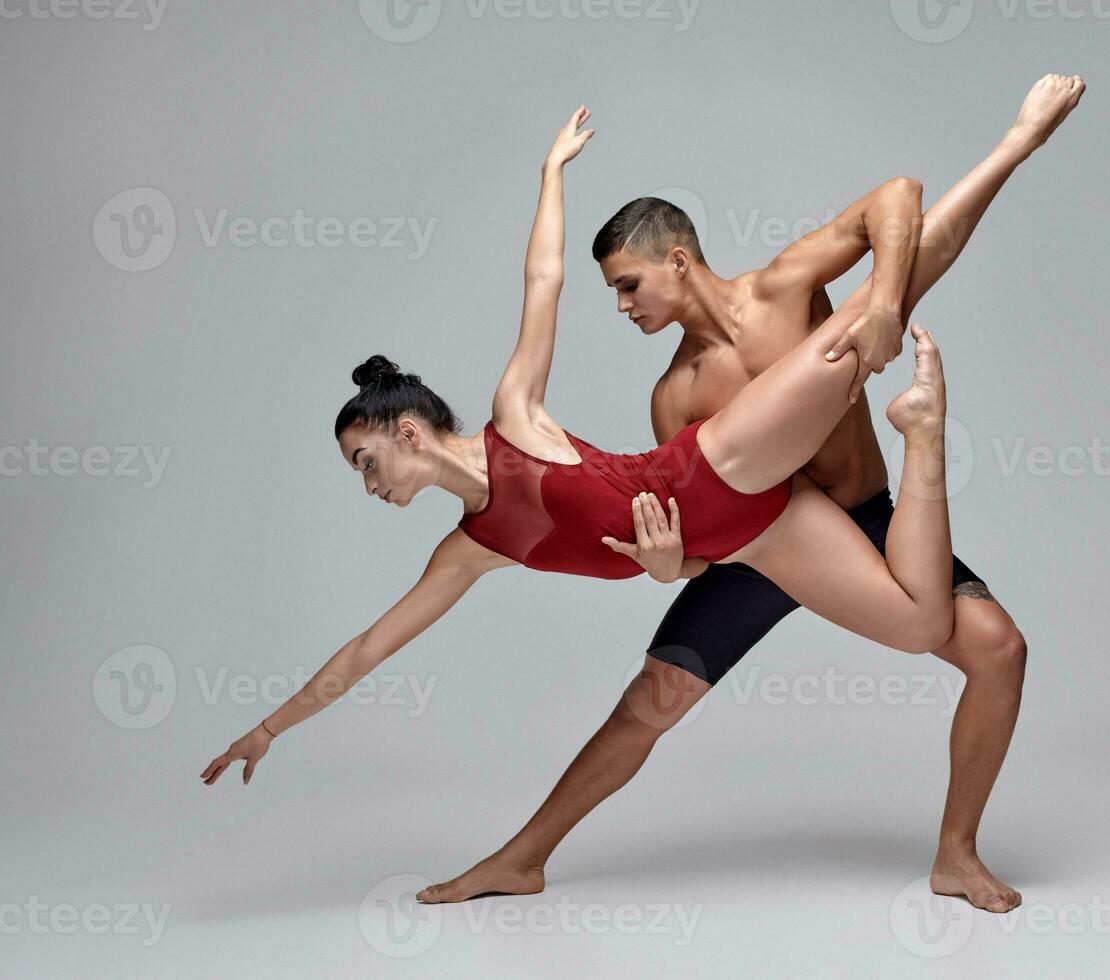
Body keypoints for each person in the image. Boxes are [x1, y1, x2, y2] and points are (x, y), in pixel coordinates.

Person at [199, 104, 962, 859]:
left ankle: (1009, 149)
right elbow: (369, 648)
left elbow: (543, 278)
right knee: (921, 625)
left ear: (408, 433)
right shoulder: (471, 547)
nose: (370, 486)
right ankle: (924, 428)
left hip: (713, 467)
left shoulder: (515, 420)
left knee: (862, 320)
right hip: (731, 537)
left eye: (367, 464)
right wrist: (270, 728)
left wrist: (550, 174)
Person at [407, 74, 1085, 914]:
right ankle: (519, 858)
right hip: (760, 553)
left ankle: (956, 854)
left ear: (678, 261)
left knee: (998, 651)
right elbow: (695, 532)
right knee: (647, 708)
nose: (621, 307)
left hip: (866, 522)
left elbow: (906, 222)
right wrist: (669, 565)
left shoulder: (785, 290)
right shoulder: (676, 396)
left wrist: (1012, 149)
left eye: (629, 285)